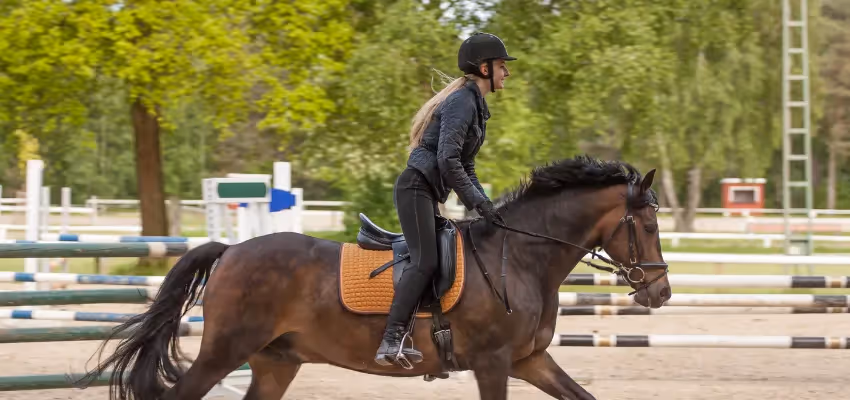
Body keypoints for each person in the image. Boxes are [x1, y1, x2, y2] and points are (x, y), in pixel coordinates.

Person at [374, 32, 517, 368]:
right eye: (501, 66)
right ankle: (391, 338)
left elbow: (465, 166)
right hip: (415, 188)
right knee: (425, 261)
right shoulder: (463, 102)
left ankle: (433, 336)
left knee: (448, 253)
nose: (506, 73)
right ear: (484, 69)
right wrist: (477, 203)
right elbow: (447, 161)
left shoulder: (476, 107)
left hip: (427, 192)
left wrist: (486, 205)